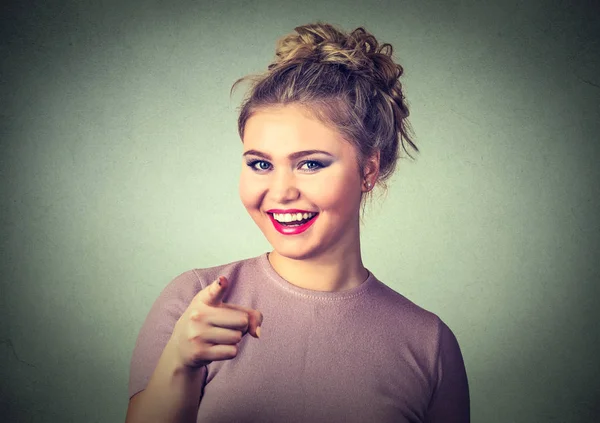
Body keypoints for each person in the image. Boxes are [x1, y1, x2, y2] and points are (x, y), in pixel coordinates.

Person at [125, 21, 470, 423]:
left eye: (310, 164)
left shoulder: (429, 345)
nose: (281, 190)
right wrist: (178, 367)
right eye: (260, 164)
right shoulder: (195, 302)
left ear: (368, 170)